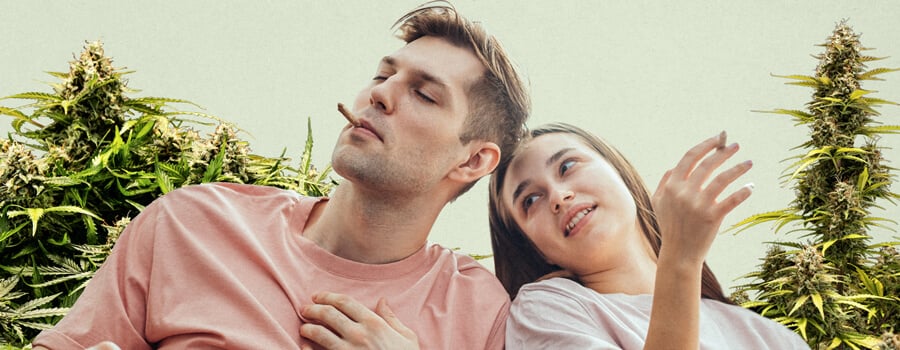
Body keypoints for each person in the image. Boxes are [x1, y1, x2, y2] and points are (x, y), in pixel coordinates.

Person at [32, 2, 530, 349]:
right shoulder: (193, 223)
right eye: (382, 75)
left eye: (424, 94)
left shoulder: (477, 311)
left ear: (472, 161)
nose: (378, 95)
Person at [488, 123, 809, 349]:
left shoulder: (763, 335)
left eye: (567, 166)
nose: (558, 196)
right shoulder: (545, 310)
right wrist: (680, 258)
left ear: (621, 173)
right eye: (530, 201)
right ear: (534, 249)